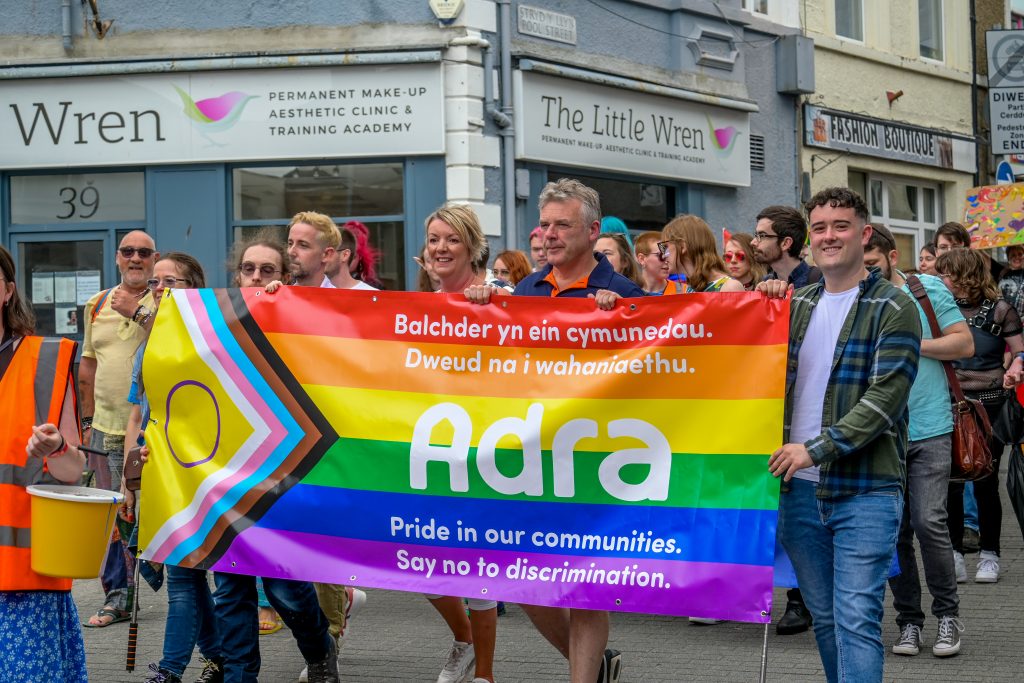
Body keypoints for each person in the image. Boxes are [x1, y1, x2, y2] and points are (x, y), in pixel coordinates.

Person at [466, 178, 642, 683]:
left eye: (562, 224)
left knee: (586, 582)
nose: (549, 234)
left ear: (592, 230)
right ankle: (592, 663)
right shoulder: (525, 290)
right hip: (535, 455)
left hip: (594, 457)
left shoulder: (625, 293)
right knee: (524, 584)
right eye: (545, 224)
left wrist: (623, 318)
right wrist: (482, 307)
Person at [760, 187, 921, 683]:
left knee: (856, 620)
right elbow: (727, 353)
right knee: (827, 620)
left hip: (865, 491)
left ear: (864, 233)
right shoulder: (794, 304)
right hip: (798, 494)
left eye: (841, 226)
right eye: (821, 228)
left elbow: (882, 404)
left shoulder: (895, 307)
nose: (830, 236)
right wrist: (755, 305)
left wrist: (814, 450)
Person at [862, 225, 973, 658]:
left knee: (929, 523)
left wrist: (912, 344)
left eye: (873, 265)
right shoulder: (852, 293)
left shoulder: (922, 288)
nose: (866, 273)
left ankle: (948, 614)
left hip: (929, 425)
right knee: (894, 533)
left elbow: (963, 344)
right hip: (879, 431)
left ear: (892, 256)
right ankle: (909, 622)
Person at [125, 253, 225, 683]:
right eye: (154, 282)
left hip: (198, 476)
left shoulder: (210, 342)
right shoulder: (147, 347)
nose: (160, 289)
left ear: (194, 290)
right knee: (190, 578)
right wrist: (133, 476)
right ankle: (221, 658)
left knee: (185, 578)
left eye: (172, 281)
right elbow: (136, 415)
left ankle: (170, 670)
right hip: (160, 476)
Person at [0, 245, 88, 683]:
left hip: (23, 579)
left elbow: (74, 473)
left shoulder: (45, 362)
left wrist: (54, 449)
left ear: (7, 291)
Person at [421, 203, 501, 683]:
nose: (441, 248)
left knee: (480, 571)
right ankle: (464, 640)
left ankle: (484, 675)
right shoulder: (419, 304)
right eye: (434, 239)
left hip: (487, 449)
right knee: (421, 563)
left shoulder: (499, 296)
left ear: (472, 246)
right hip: (431, 448)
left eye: (451, 239)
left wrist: (494, 303)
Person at [80, 229, 158, 627]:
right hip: (105, 427)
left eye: (144, 253)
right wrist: (85, 422)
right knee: (111, 516)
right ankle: (118, 595)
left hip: (151, 430)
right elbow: (88, 368)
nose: (135, 258)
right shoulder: (96, 305)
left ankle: (157, 580)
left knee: (147, 512)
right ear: (117, 257)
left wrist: (139, 311)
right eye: (128, 251)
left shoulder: (166, 303)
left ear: (154, 259)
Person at [936, 248, 1024, 585]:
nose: (941, 280)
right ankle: (954, 555)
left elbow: (1020, 351)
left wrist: (1016, 366)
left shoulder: (1001, 310)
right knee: (950, 483)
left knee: (985, 482)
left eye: (946, 273)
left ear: (963, 275)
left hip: (989, 406)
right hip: (947, 403)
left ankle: (990, 554)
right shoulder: (940, 310)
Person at [657, 214, 745, 294]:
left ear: (682, 246)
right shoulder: (685, 288)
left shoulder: (729, 287)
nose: (663, 254)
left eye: (665, 247)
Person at [752, 205, 820, 289]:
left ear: (785, 243)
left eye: (762, 236)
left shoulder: (819, 282)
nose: (753, 242)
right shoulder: (765, 283)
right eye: (756, 235)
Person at [935, 221, 1004, 282]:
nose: (949, 252)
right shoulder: (928, 286)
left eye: (955, 247)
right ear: (936, 252)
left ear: (967, 250)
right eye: (943, 247)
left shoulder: (978, 283)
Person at [287, 211, 338, 288]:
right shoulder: (280, 295)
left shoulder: (339, 299)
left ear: (326, 254)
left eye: (303, 245)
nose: (291, 252)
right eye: (290, 243)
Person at [328, 226, 379, 290]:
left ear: (345, 255)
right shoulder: (314, 292)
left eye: (329, 252)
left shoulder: (371, 295)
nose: (323, 258)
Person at [344, 220, 383, 289]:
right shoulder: (326, 283)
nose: (347, 259)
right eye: (344, 254)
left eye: (353, 256)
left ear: (360, 258)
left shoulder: (372, 287)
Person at [998, 244, 1024, 319]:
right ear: (1008, 258)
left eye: (1020, 254)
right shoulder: (1002, 273)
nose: (1017, 257)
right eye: (1013, 255)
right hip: (1006, 320)